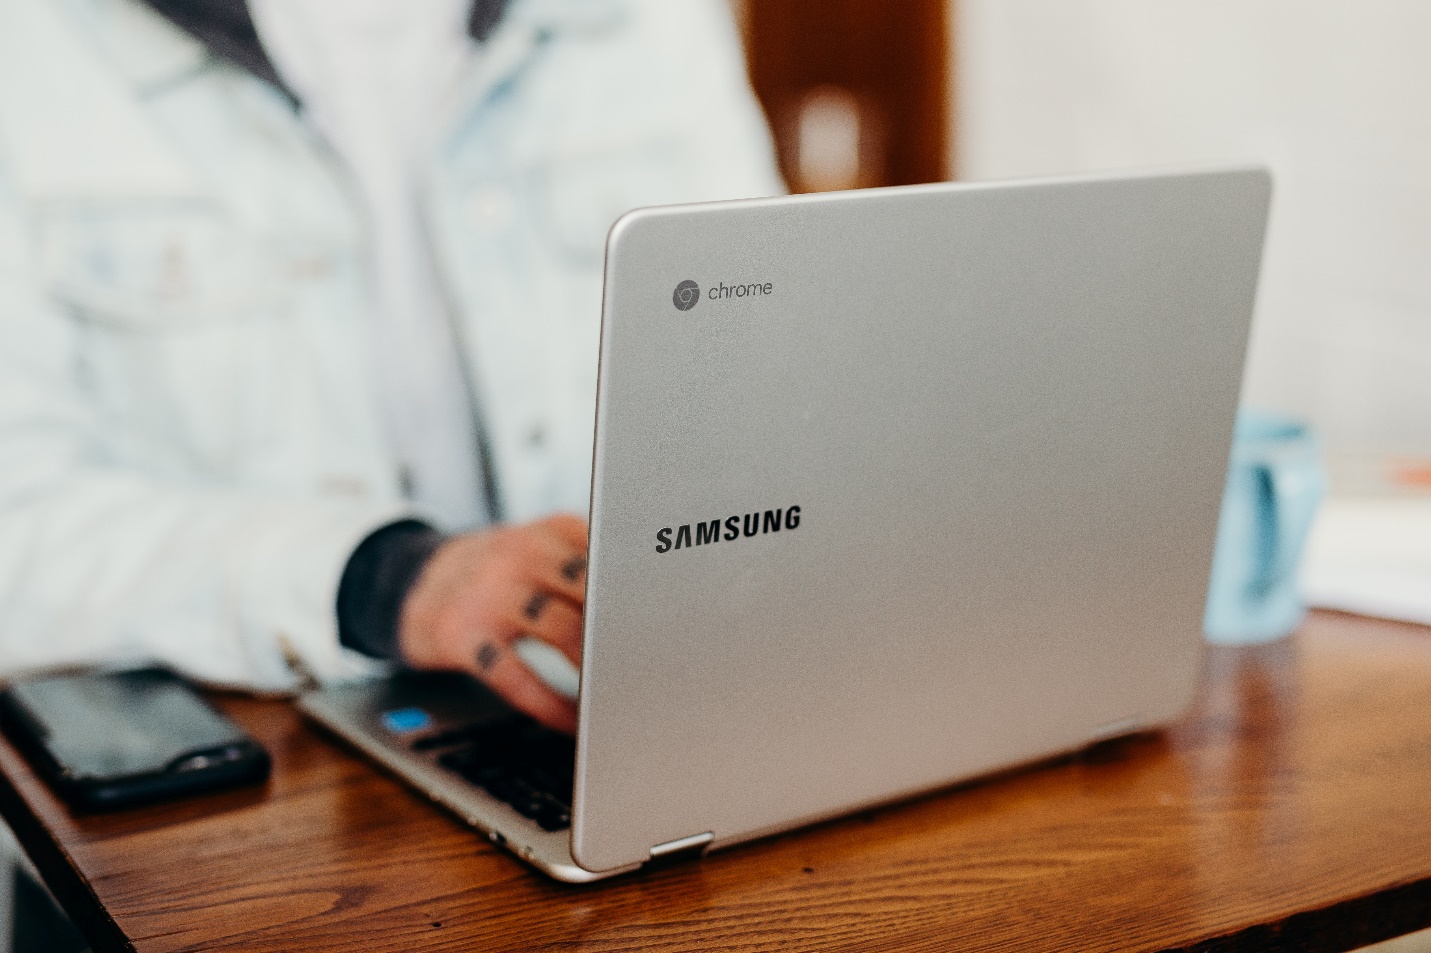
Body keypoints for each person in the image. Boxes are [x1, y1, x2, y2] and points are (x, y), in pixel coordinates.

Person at [0, 0, 782, 732]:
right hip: (275, 768)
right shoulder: (36, 44)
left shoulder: (653, 19)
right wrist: (383, 582)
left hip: (638, 716)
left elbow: (768, 370)